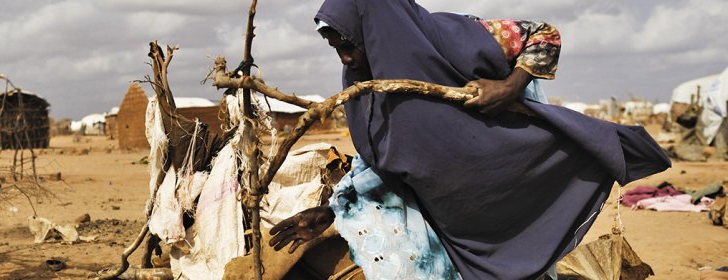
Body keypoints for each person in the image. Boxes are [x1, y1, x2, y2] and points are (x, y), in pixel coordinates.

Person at [268, 0, 671, 279]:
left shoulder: (452, 34)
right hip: (446, 210)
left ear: (375, 28)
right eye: (335, 47)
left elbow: (543, 34)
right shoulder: (364, 90)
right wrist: (333, 211)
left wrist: (510, 87)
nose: (346, 58)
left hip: (507, 177)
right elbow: (378, 160)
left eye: (350, 44)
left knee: (527, 252)